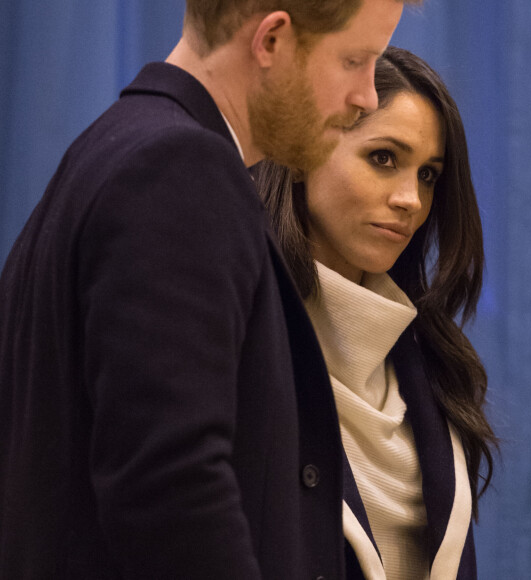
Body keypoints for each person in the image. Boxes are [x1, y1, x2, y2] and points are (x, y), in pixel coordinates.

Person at [0, 1, 411, 578]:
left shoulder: (108, 155)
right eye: (354, 60)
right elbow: (171, 486)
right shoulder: (179, 170)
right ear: (271, 40)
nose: (367, 95)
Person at [256, 46, 498, 579]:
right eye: (384, 158)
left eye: (429, 175)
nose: (411, 198)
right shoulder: (241, 344)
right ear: (301, 153)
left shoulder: (434, 365)